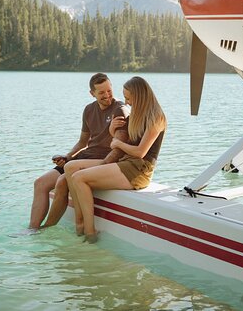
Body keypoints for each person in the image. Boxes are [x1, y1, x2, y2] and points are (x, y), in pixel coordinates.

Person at [64, 76, 166, 243]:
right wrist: (113, 132)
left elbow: (140, 152)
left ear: (139, 96)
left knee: (79, 178)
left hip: (139, 170)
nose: (126, 102)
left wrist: (116, 142)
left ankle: (90, 233)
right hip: (125, 162)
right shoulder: (137, 114)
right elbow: (124, 143)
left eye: (128, 98)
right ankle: (80, 222)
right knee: (71, 167)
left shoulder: (156, 117)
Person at [25, 73, 129, 234]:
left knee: (61, 182)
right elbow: (83, 142)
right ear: (92, 93)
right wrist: (68, 156)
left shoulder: (120, 109)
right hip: (83, 157)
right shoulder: (88, 110)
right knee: (40, 183)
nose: (107, 95)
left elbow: (121, 143)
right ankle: (32, 229)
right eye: (101, 93)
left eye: (109, 90)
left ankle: (47, 229)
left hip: (101, 161)